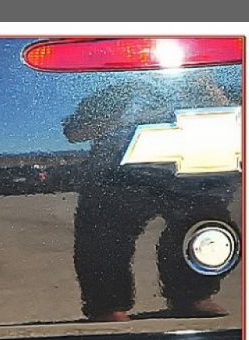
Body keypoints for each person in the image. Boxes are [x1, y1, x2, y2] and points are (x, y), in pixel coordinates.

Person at [64, 72, 240, 321]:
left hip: (190, 170)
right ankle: (108, 305)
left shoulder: (208, 84)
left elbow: (234, 117)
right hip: (121, 173)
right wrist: (122, 114)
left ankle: (193, 295)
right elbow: (74, 132)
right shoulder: (114, 93)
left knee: (204, 224)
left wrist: (208, 90)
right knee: (103, 231)